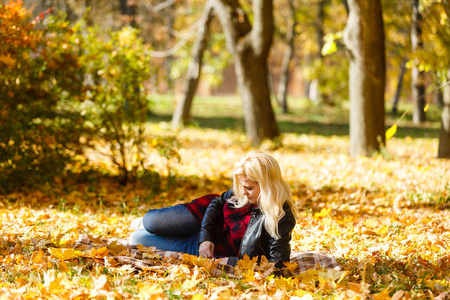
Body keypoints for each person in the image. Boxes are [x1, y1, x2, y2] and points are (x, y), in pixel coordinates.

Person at [129, 151, 297, 268]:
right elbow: (217, 203)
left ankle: (152, 230)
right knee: (151, 221)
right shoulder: (244, 190)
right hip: (203, 220)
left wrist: (231, 261)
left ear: (267, 186)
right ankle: (145, 223)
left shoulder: (280, 216)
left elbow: (278, 264)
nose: (243, 193)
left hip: (213, 248)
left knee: (136, 239)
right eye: (242, 187)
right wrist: (205, 238)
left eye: (249, 188)